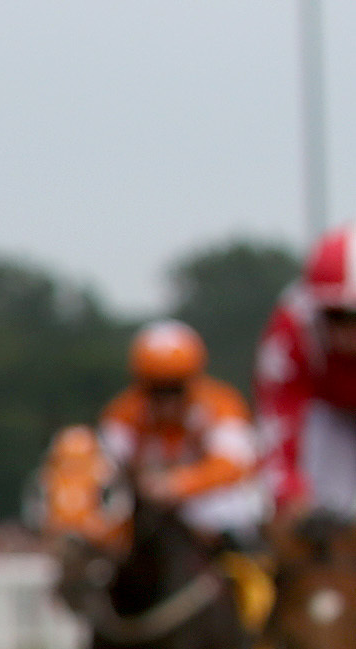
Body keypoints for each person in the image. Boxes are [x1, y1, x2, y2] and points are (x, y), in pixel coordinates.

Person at [97, 322, 266, 546]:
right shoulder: (123, 414)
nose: (167, 400)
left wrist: (177, 485)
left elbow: (233, 465)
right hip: (144, 508)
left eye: (175, 387)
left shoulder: (222, 405)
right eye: (157, 388)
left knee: (234, 511)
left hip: (207, 503)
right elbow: (104, 467)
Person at [257, 229, 356, 521]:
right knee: (327, 514)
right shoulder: (293, 326)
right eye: (333, 315)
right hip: (328, 414)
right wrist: (288, 494)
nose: (344, 334)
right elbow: (279, 421)